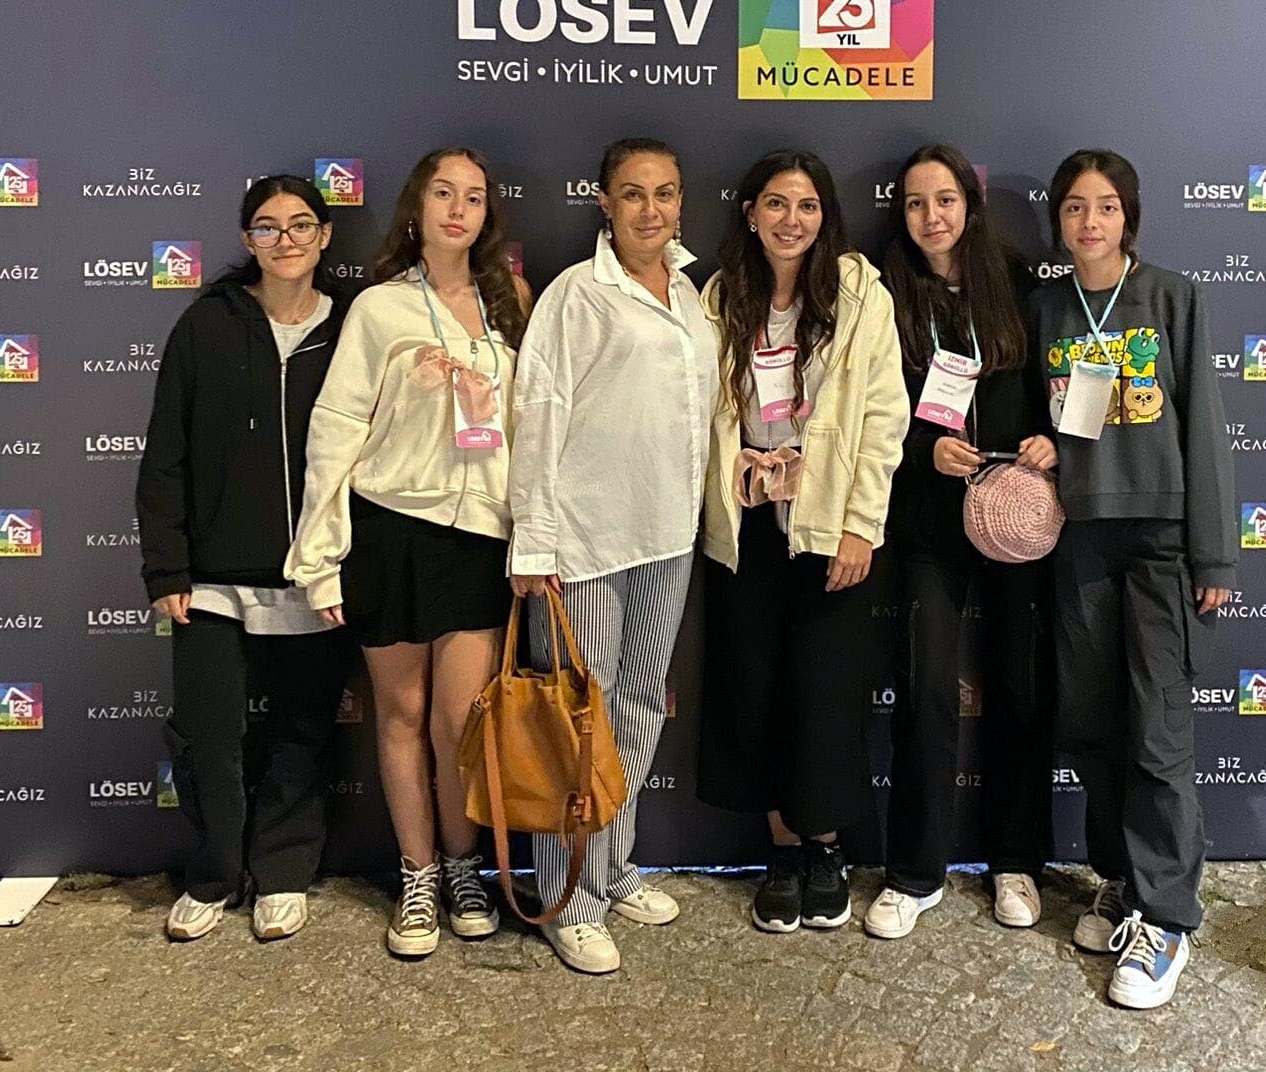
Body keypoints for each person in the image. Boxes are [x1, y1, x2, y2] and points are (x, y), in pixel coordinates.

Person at [286, 148, 530, 958]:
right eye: (443, 194)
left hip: (479, 537)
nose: (458, 209)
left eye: (474, 197)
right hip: (390, 530)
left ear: (488, 213)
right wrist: (320, 555)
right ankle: (417, 877)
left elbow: (531, 430)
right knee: (401, 714)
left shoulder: (509, 305)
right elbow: (335, 431)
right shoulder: (381, 308)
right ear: (417, 208)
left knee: (461, 720)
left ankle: (464, 868)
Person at [507, 137, 720, 975]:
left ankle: (611, 866)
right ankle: (569, 899)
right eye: (633, 193)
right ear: (603, 202)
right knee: (576, 724)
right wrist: (534, 540)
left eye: (665, 193)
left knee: (633, 712)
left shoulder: (692, 295)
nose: (651, 210)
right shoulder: (576, 294)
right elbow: (538, 414)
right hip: (586, 542)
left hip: (667, 536)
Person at [1028, 149, 1234, 1011]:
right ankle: (1121, 878)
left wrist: (1213, 552)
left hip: (1158, 539)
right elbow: (1052, 414)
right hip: (1080, 537)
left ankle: (1168, 918)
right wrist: (1043, 446)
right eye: (1075, 207)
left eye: (1106, 206)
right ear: (1059, 220)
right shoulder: (1048, 306)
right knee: (1093, 722)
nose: (1090, 222)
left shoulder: (1172, 297)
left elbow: (1205, 428)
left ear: (1129, 217)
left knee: (1157, 729)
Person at [136, 175, 357, 943]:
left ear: (325, 236)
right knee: (208, 735)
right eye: (267, 226)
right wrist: (166, 568)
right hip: (211, 577)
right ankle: (213, 875)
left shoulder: (353, 327)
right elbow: (165, 454)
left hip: (316, 573)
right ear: (246, 239)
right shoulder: (206, 325)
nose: (285, 239)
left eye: (301, 225)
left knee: (302, 733)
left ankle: (284, 872)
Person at [696, 149, 908, 934]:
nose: (792, 220)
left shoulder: (857, 295)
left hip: (826, 522)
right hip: (745, 523)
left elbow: (883, 416)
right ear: (750, 212)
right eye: (777, 204)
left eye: (808, 205)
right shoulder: (720, 297)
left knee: (825, 691)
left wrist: (860, 526)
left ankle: (825, 849)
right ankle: (782, 851)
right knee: (756, 689)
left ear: (827, 217)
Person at [865, 144, 1056, 943]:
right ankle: (915, 872)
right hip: (930, 520)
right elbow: (871, 402)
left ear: (969, 207)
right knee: (926, 694)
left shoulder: (1013, 280)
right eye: (915, 203)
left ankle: (1015, 860)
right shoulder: (883, 291)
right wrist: (924, 449)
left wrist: (1049, 440)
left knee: (1018, 686)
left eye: (944, 200)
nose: (931, 216)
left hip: (1014, 514)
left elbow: (1053, 383)